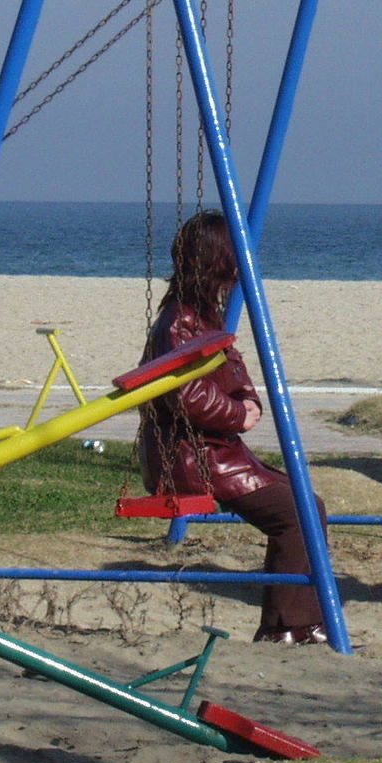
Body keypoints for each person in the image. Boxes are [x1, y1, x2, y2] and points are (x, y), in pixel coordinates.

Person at [136, 209, 330, 645]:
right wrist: (237, 414)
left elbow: (231, 367)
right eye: (236, 253)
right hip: (197, 458)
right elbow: (183, 394)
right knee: (300, 513)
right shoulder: (182, 319)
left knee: (304, 507)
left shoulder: (200, 313)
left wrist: (246, 399)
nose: (245, 262)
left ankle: (294, 623)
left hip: (215, 452)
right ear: (218, 259)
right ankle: (286, 627)